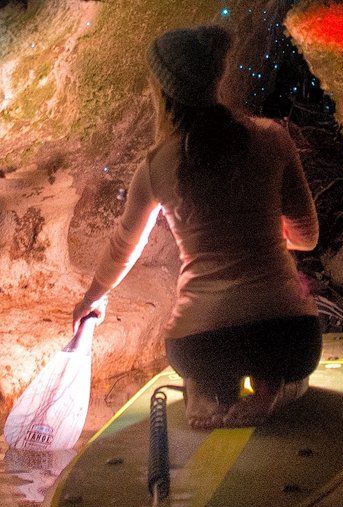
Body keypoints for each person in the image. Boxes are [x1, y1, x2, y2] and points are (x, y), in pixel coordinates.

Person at [72, 25, 322, 428]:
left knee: (206, 357)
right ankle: (267, 389)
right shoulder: (271, 138)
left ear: (163, 90)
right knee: (285, 361)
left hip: (200, 344)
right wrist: (261, 238)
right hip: (287, 336)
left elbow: (124, 247)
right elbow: (307, 237)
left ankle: (205, 393)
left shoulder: (156, 165)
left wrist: (91, 298)